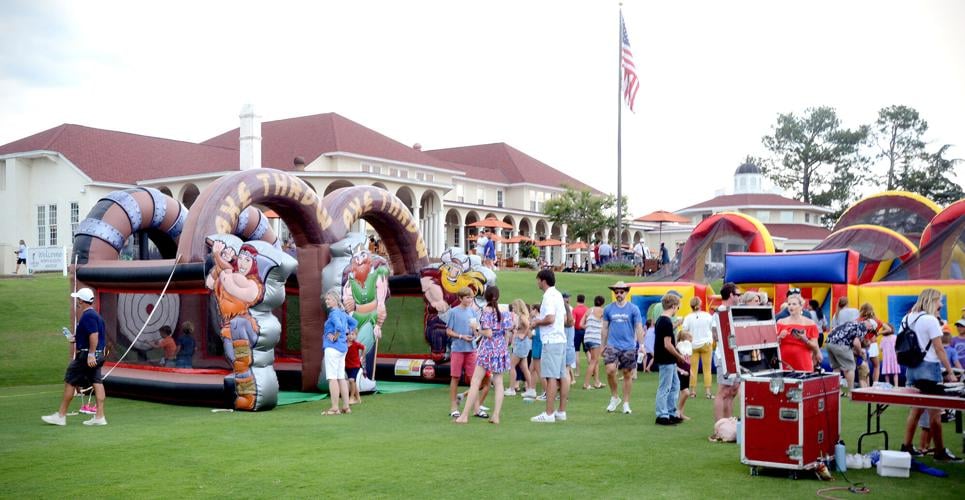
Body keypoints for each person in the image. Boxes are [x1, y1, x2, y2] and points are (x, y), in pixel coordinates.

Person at [898, 288, 961, 462]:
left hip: (912, 369)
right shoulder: (930, 320)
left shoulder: (906, 318)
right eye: (939, 301)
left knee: (916, 409)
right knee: (935, 412)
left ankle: (907, 446)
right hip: (930, 369)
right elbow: (940, 348)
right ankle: (939, 451)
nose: (941, 304)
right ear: (932, 300)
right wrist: (950, 371)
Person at [42, 288, 108, 426]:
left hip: (86, 356)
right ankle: (99, 416)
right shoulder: (95, 315)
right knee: (97, 382)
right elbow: (92, 335)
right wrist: (75, 338)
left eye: (78, 299)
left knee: (70, 380)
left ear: (81, 301)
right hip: (97, 354)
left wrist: (90, 354)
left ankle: (61, 415)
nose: (77, 301)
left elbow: (94, 335)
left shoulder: (88, 316)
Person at [456, 286, 512, 424]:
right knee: (498, 382)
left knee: (475, 382)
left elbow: (488, 333)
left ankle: (464, 416)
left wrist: (476, 328)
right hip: (500, 349)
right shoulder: (504, 311)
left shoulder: (486, 311)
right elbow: (508, 329)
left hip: (488, 348)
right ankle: (496, 415)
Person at [530, 269, 569, 423]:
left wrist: (537, 321)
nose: (537, 282)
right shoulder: (558, 294)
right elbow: (563, 319)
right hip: (560, 338)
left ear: (543, 280)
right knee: (562, 375)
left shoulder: (548, 296)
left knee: (551, 377)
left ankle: (549, 413)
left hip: (552, 340)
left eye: (538, 280)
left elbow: (550, 318)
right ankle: (561, 411)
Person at [601, 281, 645, 414]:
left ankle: (626, 403)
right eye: (616, 292)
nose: (619, 294)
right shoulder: (608, 309)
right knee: (610, 370)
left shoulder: (633, 309)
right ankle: (615, 397)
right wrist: (602, 344)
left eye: (621, 292)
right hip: (612, 344)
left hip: (628, 346)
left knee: (627, 374)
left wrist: (641, 345)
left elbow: (638, 327)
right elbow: (604, 327)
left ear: (626, 292)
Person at [710, 282, 740, 440]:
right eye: (737, 294)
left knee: (732, 391)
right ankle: (718, 428)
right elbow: (715, 336)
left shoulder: (733, 312)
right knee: (723, 392)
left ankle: (729, 427)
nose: (739, 297)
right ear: (730, 295)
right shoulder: (719, 313)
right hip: (724, 357)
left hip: (735, 357)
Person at [446, 287, 481, 418]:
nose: (470, 300)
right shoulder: (453, 312)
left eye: (471, 297)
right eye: (467, 297)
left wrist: (475, 331)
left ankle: (477, 409)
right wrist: (461, 336)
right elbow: (448, 331)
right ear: (460, 298)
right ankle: (454, 407)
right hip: (458, 349)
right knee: (455, 378)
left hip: (471, 349)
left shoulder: (473, 312)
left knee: (474, 379)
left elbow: (477, 331)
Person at [322, 290, 357, 415]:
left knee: (332, 379)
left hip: (332, 348)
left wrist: (336, 335)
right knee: (341, 377)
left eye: (329, 299)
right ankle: (346, 407)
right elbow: (354, 322)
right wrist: (347, 335)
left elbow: (339, 327)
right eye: (326, 299)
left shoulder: (334, 314)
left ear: (336, 300)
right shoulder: (343, 314)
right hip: (342, 349)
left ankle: (335, 407)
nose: (327, 301)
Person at [654, 292, 687, 425]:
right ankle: (662, 414)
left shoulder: (662, 321)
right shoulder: (666, 322)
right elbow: (667, 344)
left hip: (668, 359)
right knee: (665, 387)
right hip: (666, 358)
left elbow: (665, 332)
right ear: (673, 306)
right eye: (677, 307)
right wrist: (679, 356)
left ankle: (671, 411)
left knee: (675, 385)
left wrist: (676, 324)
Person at [825, 316, 878, 395]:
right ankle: (851, 392)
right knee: (850, 368)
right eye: (871, 331)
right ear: (870, 327)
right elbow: (856, 343)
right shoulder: (863, 328)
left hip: (829, 342)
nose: (869, 332)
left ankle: (837, 391)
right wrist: (860, 352)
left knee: (836, 368)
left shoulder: (853, 322)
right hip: (841, 344)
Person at [776, 295, 821, 371]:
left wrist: (805, 339)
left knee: (804, 381)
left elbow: (815, 346)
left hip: (802, 360)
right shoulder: (780, 322)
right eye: (789, 304)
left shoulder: (810, 323)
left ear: (801, 306)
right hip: (784, 361)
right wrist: (779, 337)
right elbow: (772, 343)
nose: (791, 306)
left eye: (794, 304)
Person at [682, 296, 714, 399]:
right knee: (707, 369)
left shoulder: (688, 317)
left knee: (693, 369)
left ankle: (692, 391)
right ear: (700, 305)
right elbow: (712, 328)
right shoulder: (707, 316)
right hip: (706, 344)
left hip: (693, 345)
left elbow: (684, 330)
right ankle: (708, 392)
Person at [504, 299, 533, 397]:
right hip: (522, 344)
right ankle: (530, 389)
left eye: (515, 307)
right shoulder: (520, 317)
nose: (513, 309)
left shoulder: (522, 317)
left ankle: (512, 389)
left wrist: (523, 335)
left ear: (519, 307)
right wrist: (513, 329)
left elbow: (529, 326)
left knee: (512, 366)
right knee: (524, 368)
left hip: (521, 343)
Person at [859, 303, 890, 384]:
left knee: (865, 366)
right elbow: (889, 329)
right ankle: (875, 384)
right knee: (876, 365)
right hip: (873, 344)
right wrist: (878, 334)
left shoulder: (860, 320)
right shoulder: (876, 320)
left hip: (863, 345)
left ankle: (866, 384)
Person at [580, 295, 605, 389]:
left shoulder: (588, 310)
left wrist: (590, 327)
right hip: (595, 338)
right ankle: (586, 383)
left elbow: (581, 324)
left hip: (587, 337)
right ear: (602, 303)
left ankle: (597, 382)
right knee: (594, 361)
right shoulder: (602, 311)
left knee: (596, 360)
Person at [676, 331, 693, 420]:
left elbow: (688, 361)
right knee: (686, 392)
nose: (691, 339)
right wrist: (681, 370)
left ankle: (681, 413)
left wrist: (690, 371)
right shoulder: (678, 348)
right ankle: (678, 411)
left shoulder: (688, 348)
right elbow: (675, 364)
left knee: (684, 393)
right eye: (690, 337)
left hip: (686, 372)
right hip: (681, 373)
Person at [345, 330, 365, 405]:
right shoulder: (344, 344)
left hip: (355, 366)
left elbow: (364, 347)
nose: (350, 336)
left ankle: (352, 397)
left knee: (351, 380)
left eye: (352, 334)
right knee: (352, 382)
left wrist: (362, 357)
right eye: (348, 334)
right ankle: (358, 398)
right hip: (347, 366)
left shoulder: (356, 344)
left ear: (355, 336)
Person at [572, 294, 589, 377]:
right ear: (584, 300)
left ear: (577, 300)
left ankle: (577, 372)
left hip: (577, 331)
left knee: (577, 352)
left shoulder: (575, 310)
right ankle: (592, 370)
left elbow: (573, 322)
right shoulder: (587, 309)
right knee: (587, 351)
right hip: (585, 331)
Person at [562, 293, 577, 384]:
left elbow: (570, 322)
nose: (567, 299)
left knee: (566, 367)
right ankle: (572, 379)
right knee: (566, 367)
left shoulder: (569, 309)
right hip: (567, 343)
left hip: (567, 344)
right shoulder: (568, 308)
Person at [879, 322, 900, 386]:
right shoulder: (895, 337)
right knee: (895, 372)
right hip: (894, 358)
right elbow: (898, 347)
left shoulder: (883, 339)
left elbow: (881, 348)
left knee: (886, 373)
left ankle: (888, 385)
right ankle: (896, 385)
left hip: (886, 358)